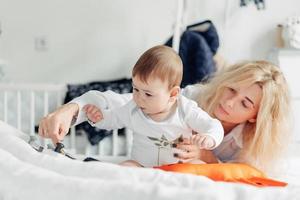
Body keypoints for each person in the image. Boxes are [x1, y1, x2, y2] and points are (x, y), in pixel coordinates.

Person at [39, 60, 291, 173]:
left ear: (256, 116)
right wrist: (70, 110)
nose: (228, 101)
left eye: (245, 103)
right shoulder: (189, 99)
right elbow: (121, 103)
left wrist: (207, 156)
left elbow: (248, 175)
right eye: (231, 89)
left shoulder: (255, 143)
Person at [81, 45, 223, 167]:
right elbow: (113, 119)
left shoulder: (185, 109)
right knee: (126, 166)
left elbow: (214, 126)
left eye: (148, 94)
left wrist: (209, 138)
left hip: (178, 169)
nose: (139, 98)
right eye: (135, 89)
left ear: (173, 94)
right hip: (142, 168)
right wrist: (98, 117)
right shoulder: (133, 109)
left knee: (198, 166)